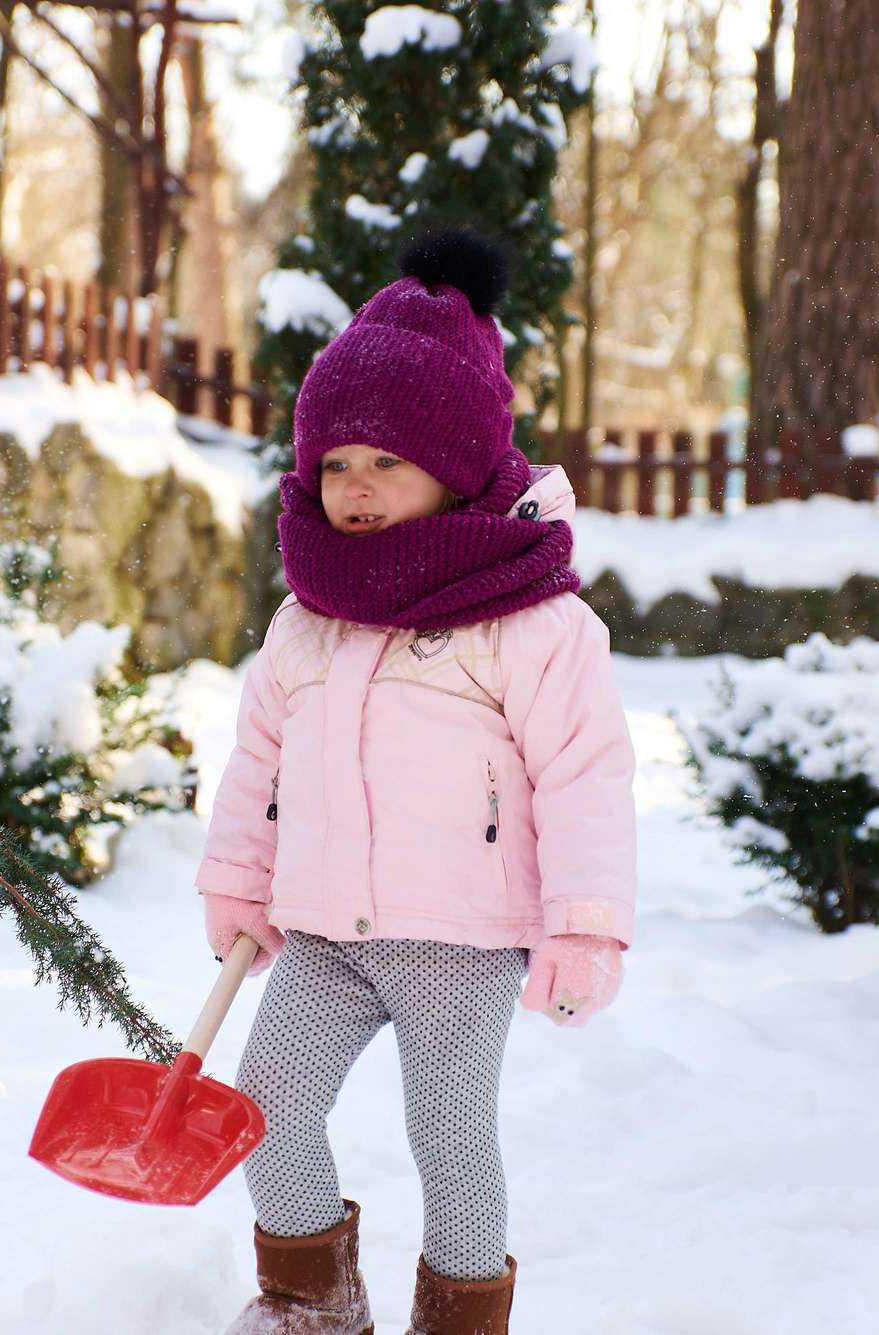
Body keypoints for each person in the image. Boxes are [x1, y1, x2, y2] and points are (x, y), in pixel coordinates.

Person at [196, 227, 637, 1335]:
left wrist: (583, 929)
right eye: (334, 464)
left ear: (455, 463)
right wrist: (238, 882)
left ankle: (458, 1322)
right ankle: (310, 1308)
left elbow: (585, 775)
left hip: (459, 934)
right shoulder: (307, 621)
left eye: (386, 462)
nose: (353, 488)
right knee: (265, 1107)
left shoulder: (531, 621)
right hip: (325, 933)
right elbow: (261, 767)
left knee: (448, 1135)